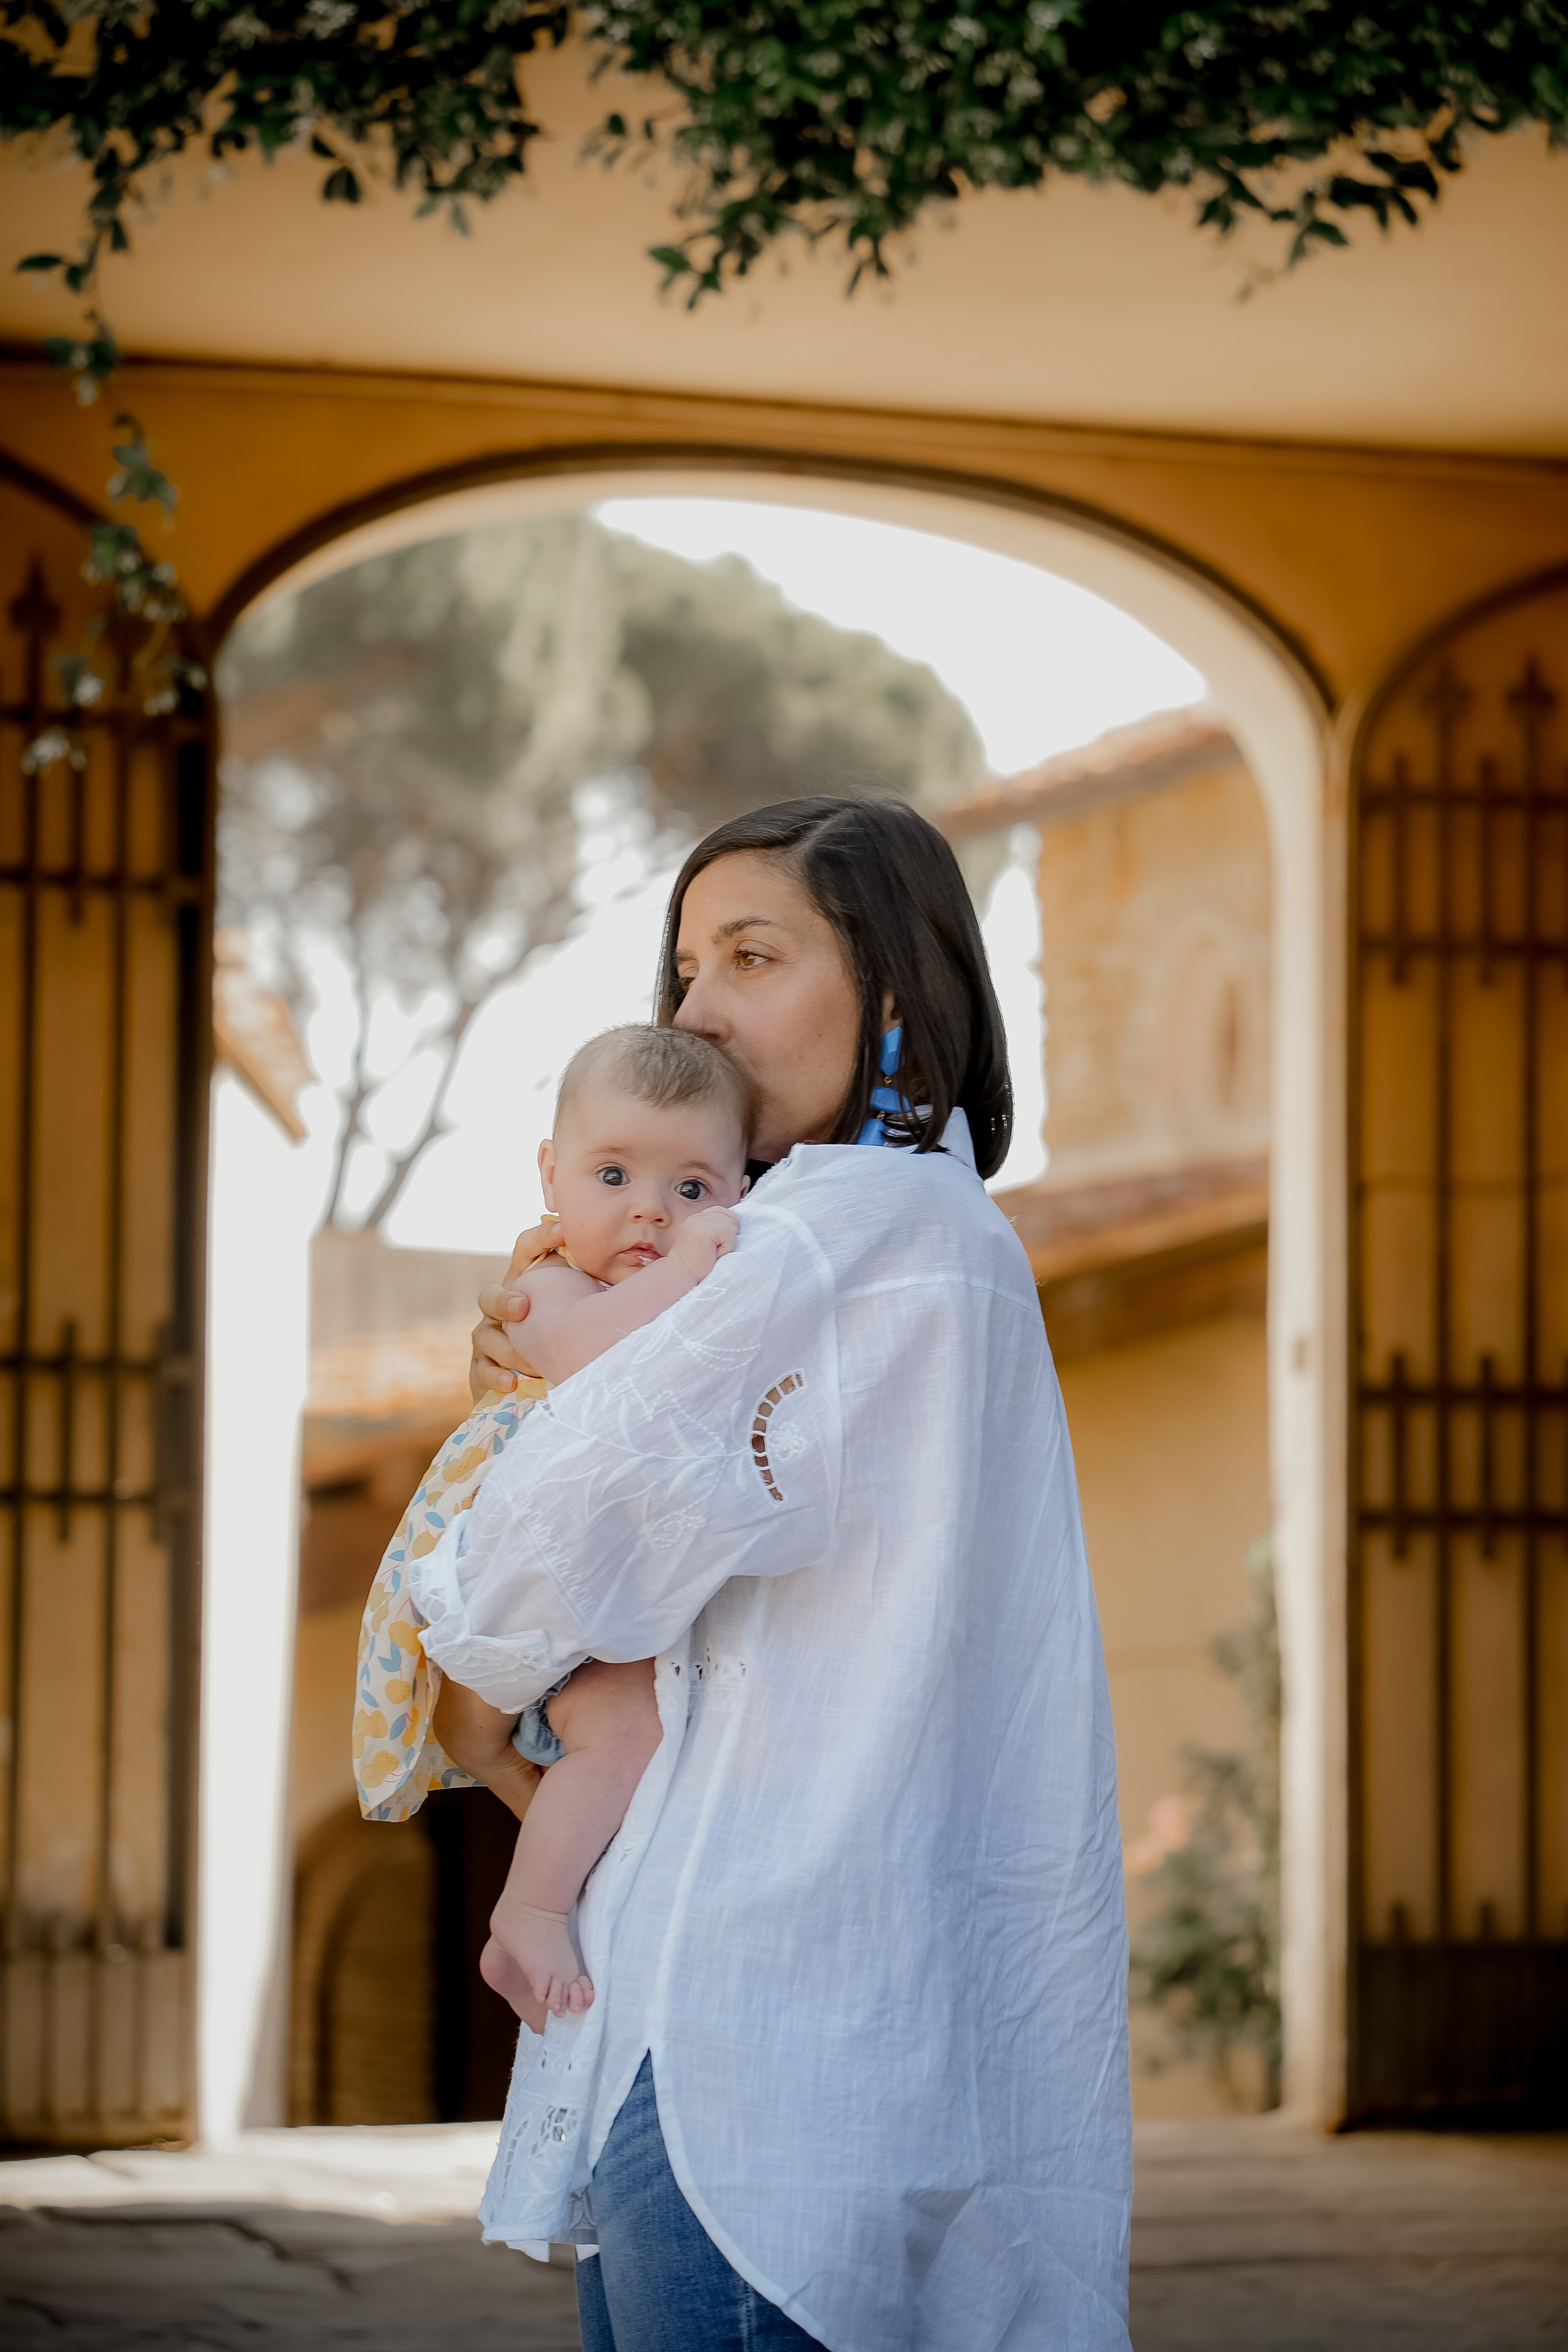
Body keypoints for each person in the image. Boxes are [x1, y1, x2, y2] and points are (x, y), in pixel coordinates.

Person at [425, 797, 1133, 2352]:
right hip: (812, 2034)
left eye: (752, 956)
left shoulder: (825, 1231)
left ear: (891, 992)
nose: (697, 1010)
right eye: (686, 968)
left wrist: (473, 1648)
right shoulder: (937, 1229)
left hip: (744, 2041)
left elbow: (524, 1577)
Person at [353, 1024, 752, 2021]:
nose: (650, 1210)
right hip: (517, 1581)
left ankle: (543, 1911)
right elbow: (582, 1356)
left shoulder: (685, 1288)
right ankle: (530, 1909)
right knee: (614, 1733)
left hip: (599, 1590)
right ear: (551, 1175)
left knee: (628, 1735)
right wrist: (687, 1269)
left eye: (692, 1187)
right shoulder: (549, 1284)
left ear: (742, 1188)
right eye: (613, 1175)